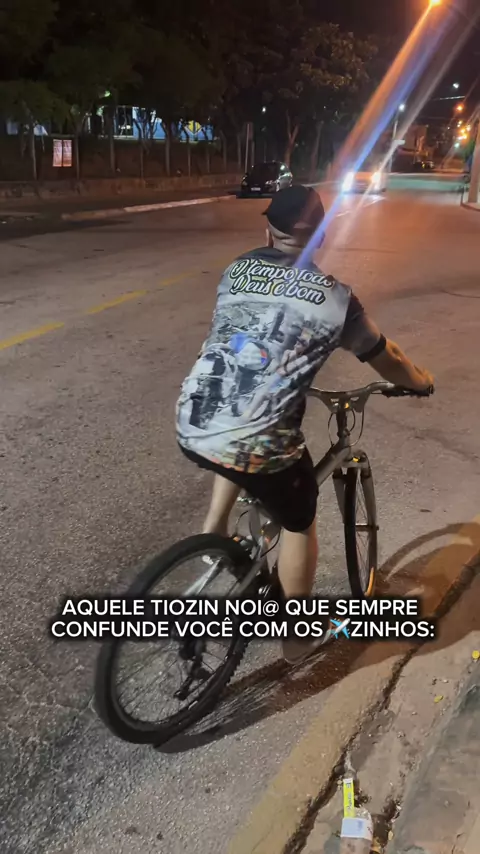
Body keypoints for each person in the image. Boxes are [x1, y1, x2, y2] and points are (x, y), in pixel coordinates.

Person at [176, 185, 434, 664]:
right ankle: (296, 639)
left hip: (194, 416)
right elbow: (389, 357)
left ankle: (213, 531)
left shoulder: (237, 269)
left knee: (239, 426)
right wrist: (420, 382)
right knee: (299, 519)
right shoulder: (336, 299)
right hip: (258, 439)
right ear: (321, 237)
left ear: (267, 230)